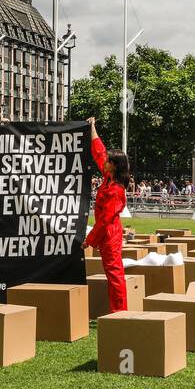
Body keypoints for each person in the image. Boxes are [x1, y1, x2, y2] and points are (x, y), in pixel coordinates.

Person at [83, 117, 129, 312]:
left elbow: (104, 221)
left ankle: (119, 311)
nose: (105, 162)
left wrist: (89, 240)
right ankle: (118, 310)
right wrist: (92, 126)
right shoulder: (108, 177)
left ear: (115, 166)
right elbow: (99, 151)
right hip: (107, 232)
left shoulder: (115, 190)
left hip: (110, 234)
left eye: (109, 161)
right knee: (113, 272)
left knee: (114, 273)